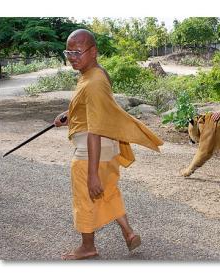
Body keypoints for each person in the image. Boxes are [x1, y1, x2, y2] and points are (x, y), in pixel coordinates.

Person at [54, 29, 163, 260]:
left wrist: (92, 173)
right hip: (108, 149)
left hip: (91, 152)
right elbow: (94, 108)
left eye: (77, 52)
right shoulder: (97, 73)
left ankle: (87, 246)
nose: (72, 57)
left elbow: (94, 129)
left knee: (85, 199)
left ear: (93, 51)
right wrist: (69, 114)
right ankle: (129, 233)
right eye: (68, 52)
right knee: (108, 191)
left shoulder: (92, 82)